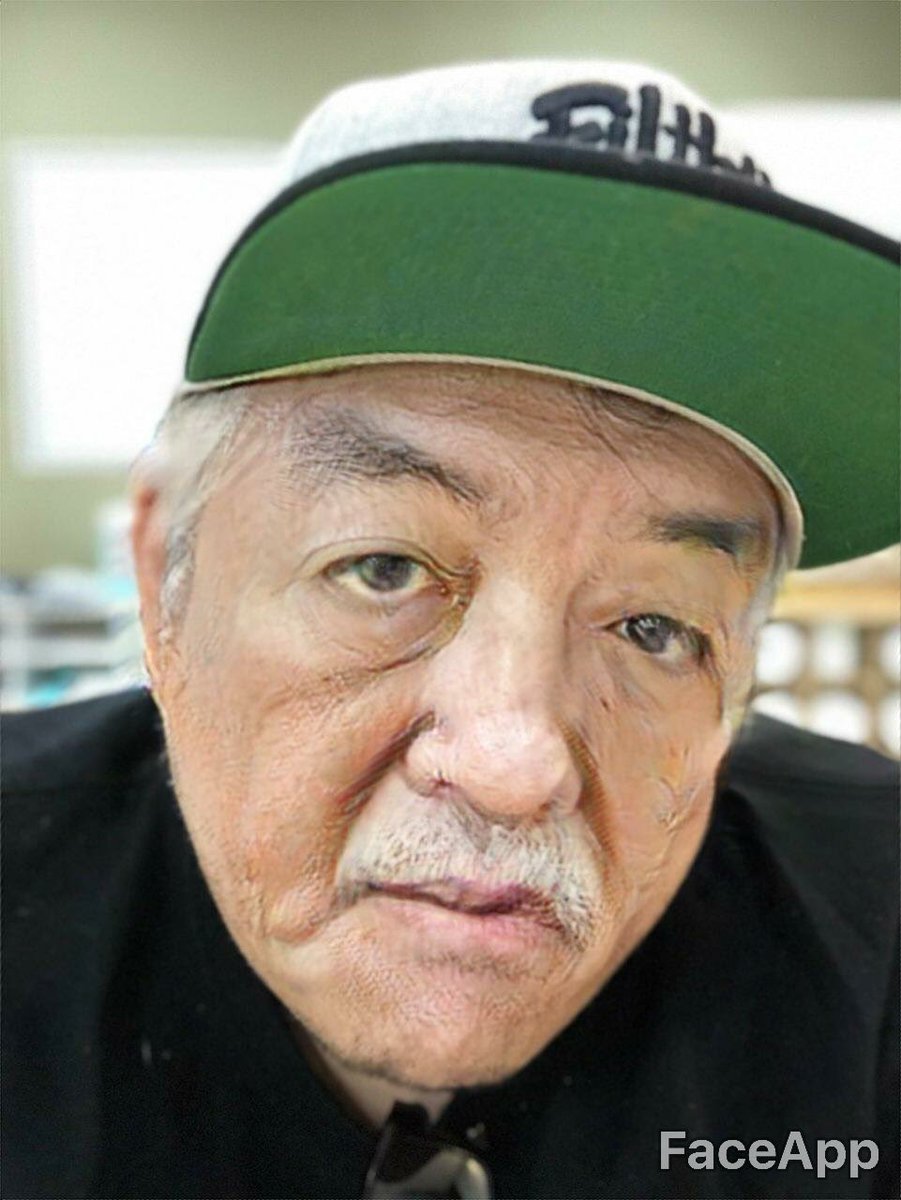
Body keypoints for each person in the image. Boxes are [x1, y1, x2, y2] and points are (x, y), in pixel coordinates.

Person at [3, 61, 898, 1200]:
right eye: (383, 569)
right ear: (161, 585)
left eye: (654, 626)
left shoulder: (872, 925)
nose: (513, 767)